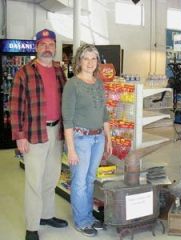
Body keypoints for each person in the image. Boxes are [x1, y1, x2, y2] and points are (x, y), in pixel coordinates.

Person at [10, 29, 68, 240]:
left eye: (50, 44)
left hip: (57, 131)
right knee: (34, 180)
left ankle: (46, 215)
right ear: (36, 47)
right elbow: (15, 106)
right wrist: (19, 135)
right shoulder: (24, 72)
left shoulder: (59, 70)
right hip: (34, 133)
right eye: (42, 44)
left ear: (54, 46)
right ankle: (32, 226)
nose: (47, 48)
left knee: (51, 177)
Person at [62, 44, 112, 237]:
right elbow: (68, 119)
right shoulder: (72, 84)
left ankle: (89, 216)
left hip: (98, 137)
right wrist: (71, 149)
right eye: (86, 58)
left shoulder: (98, 83)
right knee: (80, 182)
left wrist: (108, 138)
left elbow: (104, 112)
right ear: (79, 61)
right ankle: (81, 221)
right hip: (80, 139)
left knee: (90, 180)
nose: (90, 62)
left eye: (94, 58)